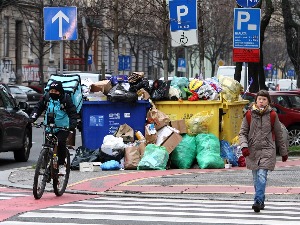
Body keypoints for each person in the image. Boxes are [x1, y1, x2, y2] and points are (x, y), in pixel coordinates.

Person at [239, 89, 288, 213]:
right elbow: (242, 133)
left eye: (264, 99)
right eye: (259, 99)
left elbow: (278, 133)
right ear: (256, 101)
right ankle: (261, 198)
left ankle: (258, 201)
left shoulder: (272, 115)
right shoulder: (249, 114)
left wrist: (283, 152)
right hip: (252, 151)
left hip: (267, 150)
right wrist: (244, 146)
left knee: (262, 175)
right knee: (256, 178)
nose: (261, 101)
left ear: (268, 102)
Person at [30, 81, 77, 175]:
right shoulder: (46, 98)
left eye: (56, 91)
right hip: (49, 126)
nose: (53, 93)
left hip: (62, 127)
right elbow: (38, 108)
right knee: (47, 146)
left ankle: (61, 165)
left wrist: (72, 124)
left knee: (60, 143)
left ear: (60, 92)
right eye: (51, 90)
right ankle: (46, 164)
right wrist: (33, 117)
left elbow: (72, 113)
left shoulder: (65, 99)